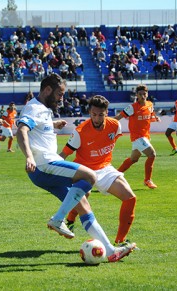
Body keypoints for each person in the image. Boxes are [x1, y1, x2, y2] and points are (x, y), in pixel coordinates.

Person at [16, 74, 135, 262]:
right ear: (47, 90)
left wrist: (52, 124)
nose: (62, 98)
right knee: (89, 176)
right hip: (44, 164)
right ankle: (58, 218)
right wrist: (29, 156)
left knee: (83, 206)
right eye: (59, 94)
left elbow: (36, 127)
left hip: (42, 172)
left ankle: (111, 252)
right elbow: (22, 130)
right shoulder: (34, 108)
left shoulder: (43, 109)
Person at [60, 95, 137, 245]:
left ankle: (120, 241)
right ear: (89, 113)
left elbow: (107, 143)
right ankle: (70, 219)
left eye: (101, 115)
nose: (97, 118)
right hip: (84, 170)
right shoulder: (80, 131)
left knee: (130, 198)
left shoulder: (115, 125)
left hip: (104, 168)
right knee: (84, 196)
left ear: (106, 113)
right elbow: (64, 154)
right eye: (94, 114)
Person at [115, 84, 160, 189]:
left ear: (147, 94)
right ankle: (147, 180)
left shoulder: (150, 104)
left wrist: (154, 118)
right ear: (137, 95)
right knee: (152, 154)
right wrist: (106, 122)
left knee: (133, 159)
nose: (143, 96)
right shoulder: (132, 107)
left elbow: (151, 115)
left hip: (146, 136)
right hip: (137, 137)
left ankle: (114, 175)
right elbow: (119, 117)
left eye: (144, 94)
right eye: (140, 94)